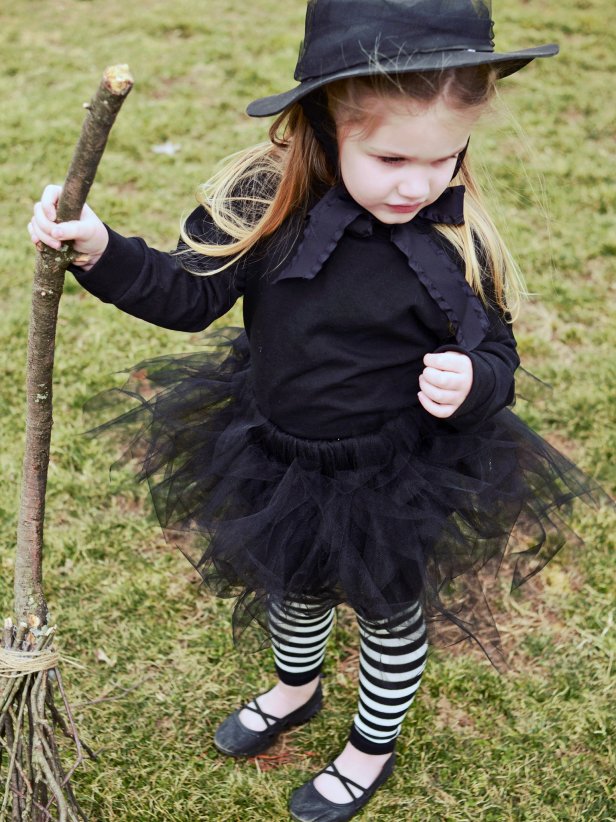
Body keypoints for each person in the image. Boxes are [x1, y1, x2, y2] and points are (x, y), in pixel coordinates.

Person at [28, 1, 599, 819]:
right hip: (277, 447)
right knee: (288, 588)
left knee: (387, 609)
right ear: (324, 126)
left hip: (393, 468)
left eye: (445, 159)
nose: (419, 183)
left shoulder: (453, 235)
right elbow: (188, 295)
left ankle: (372, 742)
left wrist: (477, 381)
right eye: (392, 156)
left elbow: (499, 353)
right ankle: (296, 689)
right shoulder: (267, 203)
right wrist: (100, 249)